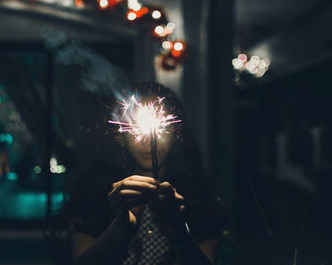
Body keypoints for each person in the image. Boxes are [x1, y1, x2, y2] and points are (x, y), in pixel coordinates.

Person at [45, 82, 227, 265]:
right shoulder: (94, 192)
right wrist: (121, 226)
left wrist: (177, 230)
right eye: (135, 128)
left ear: (176, 134)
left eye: (161, 129)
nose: (147, 141)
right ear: (123, 134)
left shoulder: (198, 197)